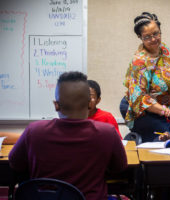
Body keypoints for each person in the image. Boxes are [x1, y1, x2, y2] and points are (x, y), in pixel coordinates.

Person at [9, 71, 128, 200]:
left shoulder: (34, 131)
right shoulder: (107, 133)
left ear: (56, 105)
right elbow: (119, 167)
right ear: (89, 103)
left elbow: (15, 164)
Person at [121, 12, 170, 142]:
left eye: (156, 33)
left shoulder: (164, 50)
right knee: (167, 140)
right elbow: (139, 98)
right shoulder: (140, 62)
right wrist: (168, 112)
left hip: (164, 108)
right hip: (144, 111)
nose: (153, 39)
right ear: (140, 37)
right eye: (147, 37)